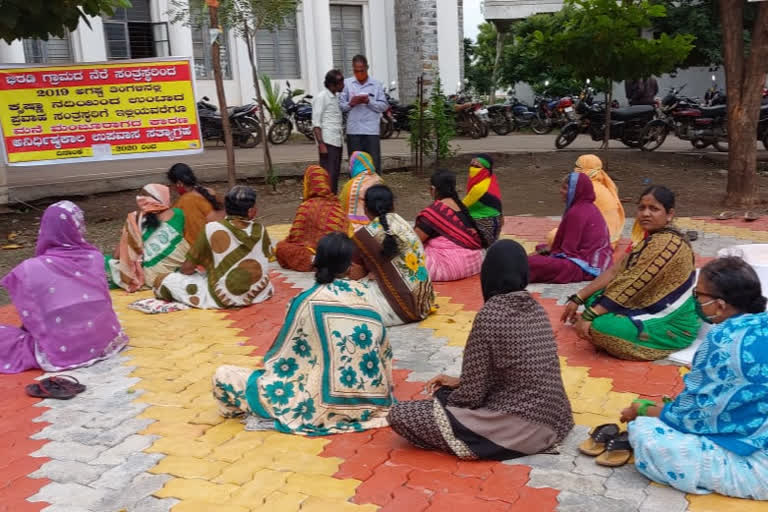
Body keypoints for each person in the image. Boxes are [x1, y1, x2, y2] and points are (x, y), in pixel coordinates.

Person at [388, 240, 574, 459]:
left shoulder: (490, 315)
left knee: (401, 414)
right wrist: (459, 382)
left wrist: (446, 403)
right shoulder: (536, 308)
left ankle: (470, 439)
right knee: (445, 395)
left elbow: (470, 397)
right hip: (555, 418)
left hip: (518, 428)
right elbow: (515, 371)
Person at [212, 232, 395, 435]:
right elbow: (384, 357)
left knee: (224, 375)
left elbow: (286, 361)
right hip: (372, 404)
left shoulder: (305, 301)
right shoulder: (370, 302)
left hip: (317, 406)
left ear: (317, 262)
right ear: (349, 267)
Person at [622, 257, 768, 499]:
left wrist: (643, 409)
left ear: (719, 305)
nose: (696, 301)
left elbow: (692, 416)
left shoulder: (722, 339)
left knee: (647, 433)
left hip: (757, 466)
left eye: (698, 295)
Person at [561, 185, 701, 361]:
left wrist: (590, 315)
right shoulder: (652, 238)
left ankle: (643, 340)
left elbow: (632, 283)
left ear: (669, 214)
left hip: (670, 320)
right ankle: (597, 321)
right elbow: (615, 271)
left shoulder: (667, 243)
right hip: (644, 301)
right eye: (642, 208)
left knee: (601, 326)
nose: (645, 213)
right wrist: (578, 297)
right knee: (594, 297)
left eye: (654, 209)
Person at [0, 201, 128, 374]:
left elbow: (34, 312)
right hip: (104, 341)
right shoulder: (94, 257)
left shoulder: (29, 269)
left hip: (62, 351)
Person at [155, 186, 274, 309]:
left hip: (225, 297)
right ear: (251, 211)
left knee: (161, 280)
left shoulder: (212, 228)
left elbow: (187, 269)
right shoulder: (260, 229)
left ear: (226, 209)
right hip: (260, 293)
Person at [349, 185, 435, 326]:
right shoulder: (403, 223)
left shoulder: (364, 235)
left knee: (343, 293)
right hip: (425, 303)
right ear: (393, 205)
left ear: (365, 209)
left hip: (402, 310)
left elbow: (355, 275)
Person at [529, 172, 613, 284]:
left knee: (531, 263)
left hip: (585, 266)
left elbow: (568, 251)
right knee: (540, 252)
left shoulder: (577, 212)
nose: (560, 191)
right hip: (598, 260)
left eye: (565, 188)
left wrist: (550, 254)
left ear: (575, 191)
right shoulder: (587, 206)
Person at [106, 184, 190, 292]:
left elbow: (118, 255)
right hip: (177, 269)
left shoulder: (136, 219)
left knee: (105, 262)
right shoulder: (178, 214)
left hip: (145, 276)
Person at [415, 169, 486, 282]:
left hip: (450, 267)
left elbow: (414, 242)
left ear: (432, 190)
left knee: (406, 256)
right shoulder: (461, 207)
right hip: (475, 261)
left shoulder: (433, 213)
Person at [275, 165, 350, 272]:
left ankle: (314, 260)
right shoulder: (337, 206)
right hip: (335, 254)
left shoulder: (305, 206)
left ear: (308, 184)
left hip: (310, 254)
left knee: (281, 248)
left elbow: (295, 238)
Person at [546, 155, 625, 249]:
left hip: (601, 243)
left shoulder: (586, 189)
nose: (575, 170)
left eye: (578, 167)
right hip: (612, 238)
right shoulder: (601, 185)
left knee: (554, 237)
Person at [339, 55, 388, 175]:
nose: (359, 73)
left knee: (373, 164)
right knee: (355, 164)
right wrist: (351, 103)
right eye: (356, 71)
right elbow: (340, 106)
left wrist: (369, 102)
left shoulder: (376, 85)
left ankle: (374, 190)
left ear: (367, 68)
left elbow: (384, 106)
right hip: (354, 130)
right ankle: (356, 190)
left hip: (371, 131)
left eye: (362, 70)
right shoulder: (347, 84)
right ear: (353, 69)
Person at [167, 163, 225, 244]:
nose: (173, 188)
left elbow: (195, 238)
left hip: (207, 249)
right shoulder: (209, 191)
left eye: (172, 185)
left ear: (179, 183)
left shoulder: (186, 201)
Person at [312, 69, 345, 193]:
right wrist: (321, 144)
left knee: (335, 174)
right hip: (328, 142)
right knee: (328, 175)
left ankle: (333, 200)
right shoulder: (322, 97)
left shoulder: (335, 97)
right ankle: (327, 202)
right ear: (332, 84)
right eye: (340, 83)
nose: (343, 85)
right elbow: (316, 123)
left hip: (337, 141)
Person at [462, 154, 503, 244]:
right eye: (471, 165)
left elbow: (462, 206)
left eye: (477, 166)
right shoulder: (491, 178)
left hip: (484, 221)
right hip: (496, 220)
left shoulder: (479, 188)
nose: (472, 169)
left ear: (485, 169)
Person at [339, 151, 382, 231]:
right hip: (379, 226)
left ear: (355, 165)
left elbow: (341, 206)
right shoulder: (379, 180)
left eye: (350, 165)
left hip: (354, 230)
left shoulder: (350, 184)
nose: (349, 168)